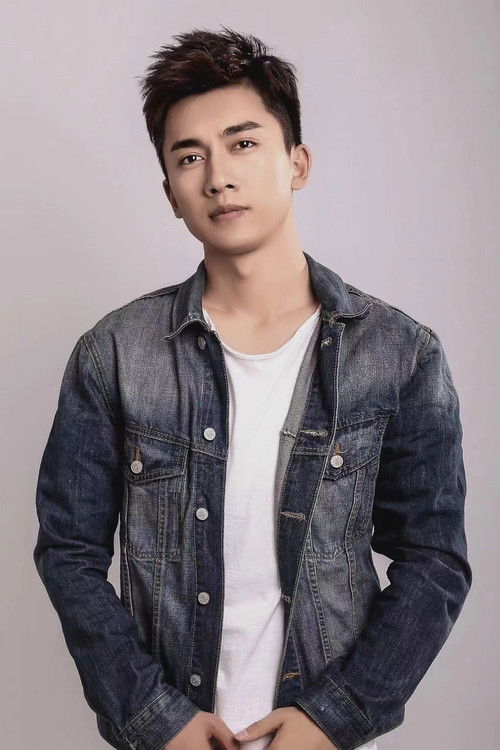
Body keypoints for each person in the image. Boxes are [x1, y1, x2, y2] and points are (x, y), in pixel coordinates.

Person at [33, 26, 472, 750]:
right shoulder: (113, 354)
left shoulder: (400, 355)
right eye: (189, 157)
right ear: (170, 192)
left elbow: (434, 560)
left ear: (297, 163)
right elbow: (68, 554)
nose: (218, 177)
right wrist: (157, 719)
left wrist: (334, 717)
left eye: (242, 143)